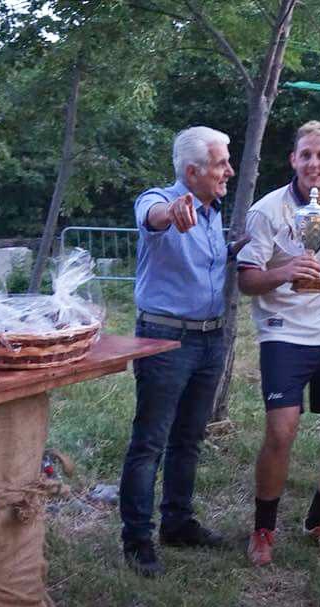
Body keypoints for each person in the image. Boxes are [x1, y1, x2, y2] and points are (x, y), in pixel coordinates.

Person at [237, 121, 320, 566]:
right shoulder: (266, 210)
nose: (314, 163)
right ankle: (263, 528)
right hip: (284, 333)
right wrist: (286, 271)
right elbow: (247, 280)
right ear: (293, 159)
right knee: (281, 431)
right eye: (306, 155)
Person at [119, 126, 238, 577]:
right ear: (192, 172)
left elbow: (208, 262)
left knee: (188, 439)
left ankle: (178, 523)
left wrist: (239, 249)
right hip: (165, 340)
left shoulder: (210, 212)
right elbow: (153, 217)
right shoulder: (160, 200)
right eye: (221, 164)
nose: (229, 171)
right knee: (150, 442)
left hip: (210, 340)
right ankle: (137, 539)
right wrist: (171, 212)